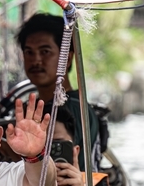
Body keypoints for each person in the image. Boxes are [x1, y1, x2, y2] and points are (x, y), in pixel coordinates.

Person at [18, 13, 101, 170]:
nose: (36, 60)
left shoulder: (76, 109)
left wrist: (16, 152)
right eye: (29, 52)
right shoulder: (30, 109)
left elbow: (62, 171)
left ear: (67, 59)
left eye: (45, 52)